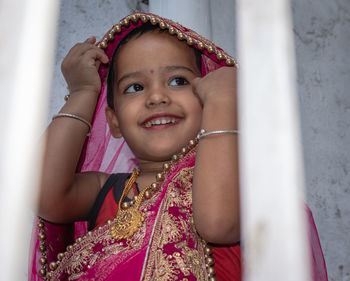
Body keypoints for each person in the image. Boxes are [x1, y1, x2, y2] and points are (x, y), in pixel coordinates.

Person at [29, 12, 327, 281]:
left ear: (207, 97)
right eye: (135, 87)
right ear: (114, 122)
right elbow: (43, 193)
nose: (157, 97)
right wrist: (82, 92)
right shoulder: (107, 191)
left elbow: (217, 223)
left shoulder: (233, 186)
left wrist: (222, 105)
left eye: (178, 81)